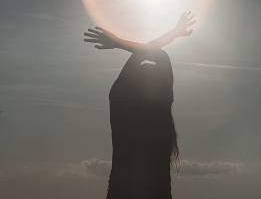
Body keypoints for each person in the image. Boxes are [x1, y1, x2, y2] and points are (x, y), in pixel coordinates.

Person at [83, 12, 196, 199]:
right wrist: (173, 33)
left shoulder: (119, 101)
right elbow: (157, 54)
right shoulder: (163, 102)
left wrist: (117, 42)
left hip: (120, 192)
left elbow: (148, 52)